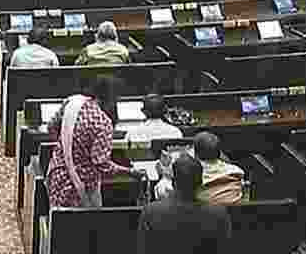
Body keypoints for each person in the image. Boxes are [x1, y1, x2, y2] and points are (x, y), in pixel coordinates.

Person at [46, 76, 138, 208]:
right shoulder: (103, 123)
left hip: (57, 176)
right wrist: (129, 172)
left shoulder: (72, 101)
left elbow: (52, 128)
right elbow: (101, 164)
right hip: (82, 189)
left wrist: (67, 147)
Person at [137, 153, 233, 254]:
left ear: (173, 183)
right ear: (201, 183)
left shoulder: (151, 212)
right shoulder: (219, 214)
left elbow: (143, 250)